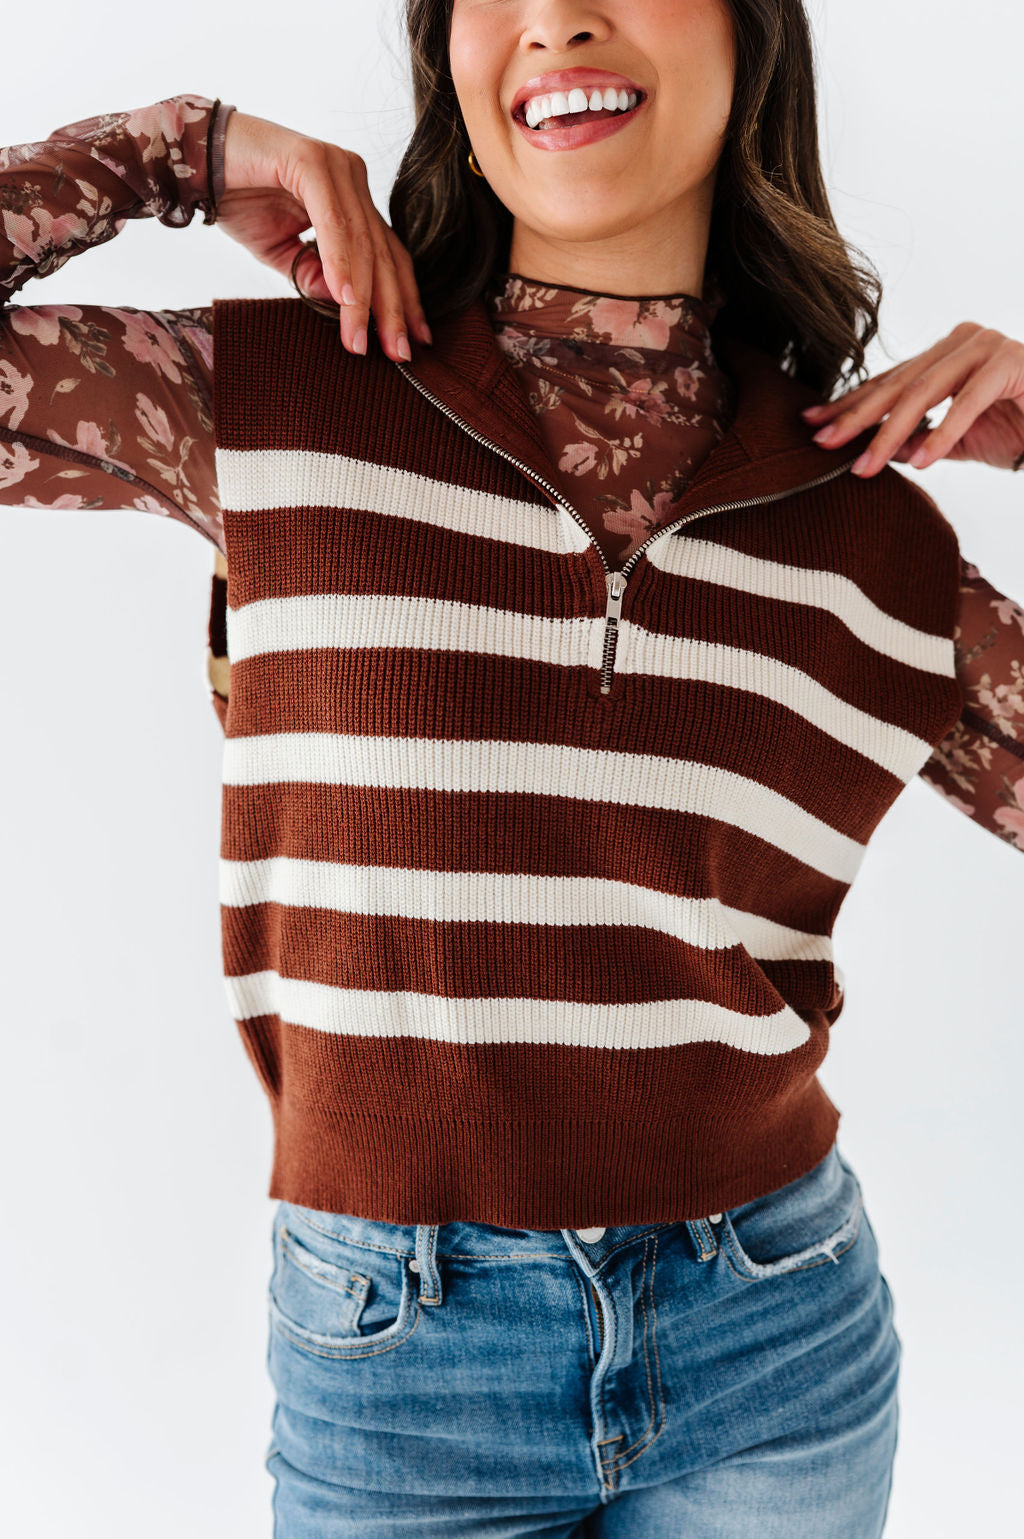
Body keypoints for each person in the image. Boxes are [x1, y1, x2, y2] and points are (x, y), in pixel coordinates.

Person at [2, 2, 1022, 1534]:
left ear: (751, 39)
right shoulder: (276, 395)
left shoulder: (872, 536)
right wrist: (177, 153)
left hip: (779, 1340)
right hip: (398, 1365)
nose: (559, 18)